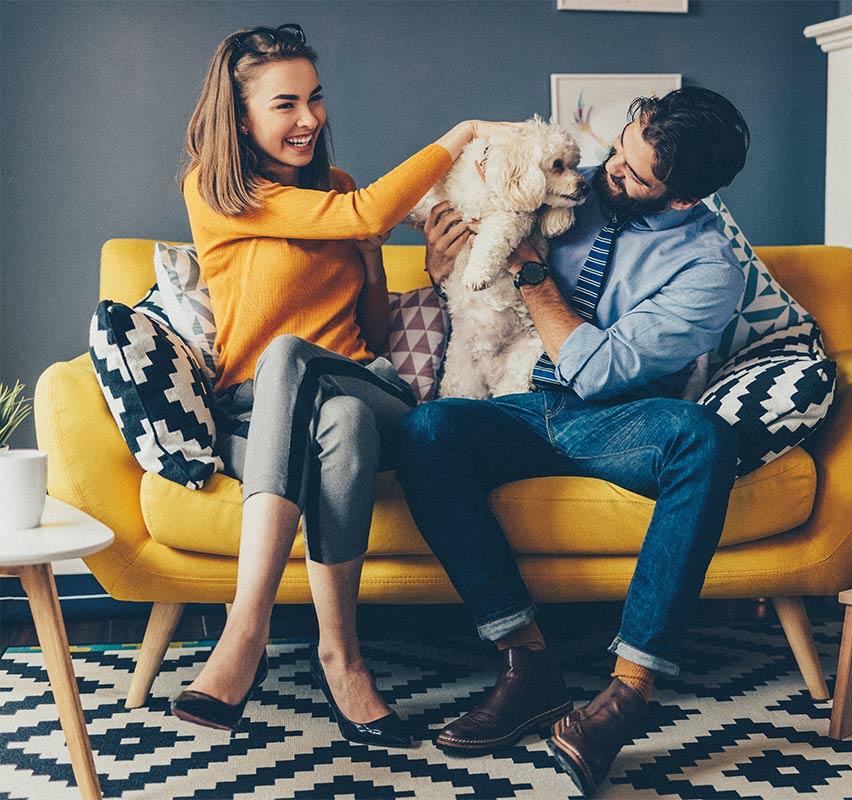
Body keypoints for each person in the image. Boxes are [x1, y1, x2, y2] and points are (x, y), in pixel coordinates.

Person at [394, 86, 750, 793]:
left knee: (706, 437)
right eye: (618, 147)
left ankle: (626, 694)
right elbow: (468, 240)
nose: (604, 172)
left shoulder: (712, 270)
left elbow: (600, 371)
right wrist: (444, 264)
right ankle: (527, 667)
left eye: (632, 173)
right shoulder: (567, 184)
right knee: (426, 429)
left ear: (681, 198)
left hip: (611, 420)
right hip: (518, 402)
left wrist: (528, 269)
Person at [167, 23, 510, 748]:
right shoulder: (215, 191)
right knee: (337, 419)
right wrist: (462, 134)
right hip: (260, 415)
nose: (309, 119)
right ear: (240, 117)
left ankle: (244, 632)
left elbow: (374, 327)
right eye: (286, 104)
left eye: (316, 99)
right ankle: (342, 658)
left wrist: (392, 267)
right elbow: (367, 215)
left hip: (372, 380)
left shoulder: (341, 190)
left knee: (302, 361)